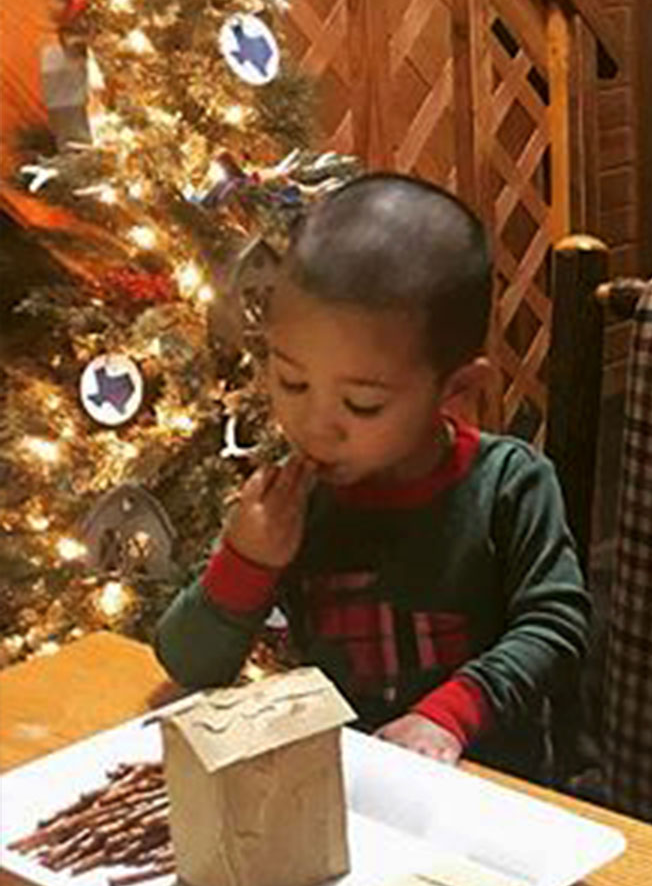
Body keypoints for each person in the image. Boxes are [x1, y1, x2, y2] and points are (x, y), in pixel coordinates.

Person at [155, 173, 591, 779]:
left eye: (361, 404)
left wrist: (449, 715)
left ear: (458, 391)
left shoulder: (508, 485)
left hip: (491, 795)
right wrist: (246, 561)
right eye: (291, 382)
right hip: (342, 792)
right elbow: (187, 663)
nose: (315, 425)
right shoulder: (294, 501)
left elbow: (556, 629)